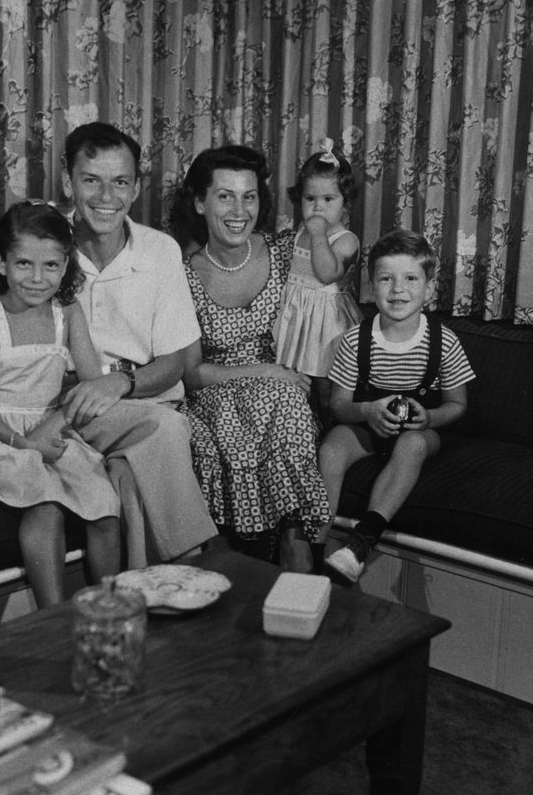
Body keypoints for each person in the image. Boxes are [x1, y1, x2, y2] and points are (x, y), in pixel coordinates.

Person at [0, 122, 217, 577]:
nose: (106, 196)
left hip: (131, 399)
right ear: (67, 182)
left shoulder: (160, 251)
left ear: (136, 187)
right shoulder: (46, 245)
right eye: (91, 180)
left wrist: (121, 382)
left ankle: (159, 589)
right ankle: (180, 576)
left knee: (149, 448)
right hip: (55, 405)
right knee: (147, 450)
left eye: (120, 181)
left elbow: (174, 362)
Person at [174, 146, 330, 573]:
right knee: (233, 420)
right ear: (200, 202)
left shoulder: (286, 252)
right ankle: (236, 582)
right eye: (225, 196)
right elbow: (191, 374)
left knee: (286, 404)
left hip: (286, 396)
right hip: (217, 395)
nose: (239, 210)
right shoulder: (182, 274)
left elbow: (332, 287)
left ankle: (299, 579)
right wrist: (264, 370)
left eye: (250, 196)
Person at [0, 202, 120, 607]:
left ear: (66, 265)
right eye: (24, 264)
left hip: (52, 431)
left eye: (51, 265)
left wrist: (69, 415)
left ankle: (109, 610)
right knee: (46, 504)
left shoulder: (67, 312)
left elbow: (91, 382)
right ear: (1, 262)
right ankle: (53, 618)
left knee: (104, 504)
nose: (37, 278)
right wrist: (22, 444)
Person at [319, 230, 476, 584]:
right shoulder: (356, 340)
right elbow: (340, 404)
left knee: (413, 444)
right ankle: (316, 545)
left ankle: (359, 546)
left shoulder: (444, 341)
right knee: (331, 447)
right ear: (372, 286)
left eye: (410, 279)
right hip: (367, 424)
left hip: (420, 430)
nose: (397, 289)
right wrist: (367, 411)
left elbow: (458, 405)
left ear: (429, 288)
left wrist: (429, 417)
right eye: (386, 279)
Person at [273, 138, 363, 426]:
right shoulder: (301, 231)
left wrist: (319, 236)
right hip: (297, 317)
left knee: (326, 386)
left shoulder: (346, 240)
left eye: (328, 200)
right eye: (310, 199)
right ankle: (301, 429)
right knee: (295, 381)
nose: (317, 208)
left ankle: (331, 430)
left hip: (327, 325)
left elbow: (326, 274)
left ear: (345, 202)